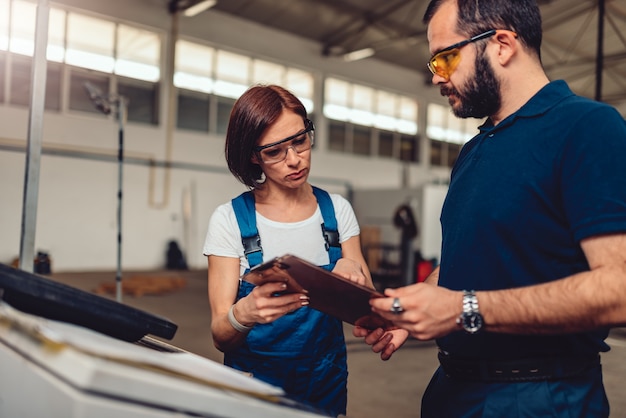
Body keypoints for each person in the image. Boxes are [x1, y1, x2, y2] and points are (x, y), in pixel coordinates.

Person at [354, 0, 626, 416]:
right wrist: (417, 305)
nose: (435, 76)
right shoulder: (474, 150)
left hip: (541, 396)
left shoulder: (587, 127)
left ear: (501, 44)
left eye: (445, 58)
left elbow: (618, 289)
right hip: (453, 387)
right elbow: (475, 262)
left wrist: (464, 309)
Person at [202, 84, 402, 417]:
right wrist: (245, 313)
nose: (294, 160)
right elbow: (221, 335)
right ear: (254, 156)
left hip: (325, 379)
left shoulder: (336, 211)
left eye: (299, 140)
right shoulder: (230, 220)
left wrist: (356, 280)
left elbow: (367, 303)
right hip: (255, 384)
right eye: (274, 152)